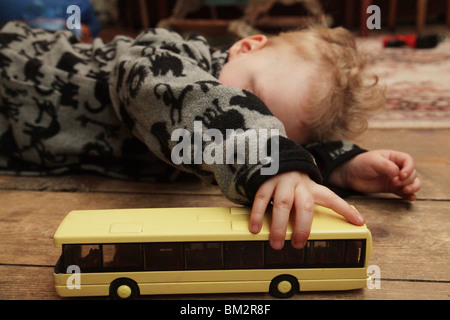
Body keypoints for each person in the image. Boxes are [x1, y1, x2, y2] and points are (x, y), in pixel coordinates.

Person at [0, 21, 421, 250]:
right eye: (250, 98)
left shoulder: (251, 136)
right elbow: (196, 102)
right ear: (245, 47)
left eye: (274, 125)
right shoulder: (168, 56)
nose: (252, 115)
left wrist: (341, 165)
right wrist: (265, 149)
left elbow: (282, 154)